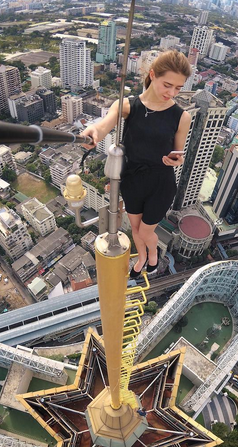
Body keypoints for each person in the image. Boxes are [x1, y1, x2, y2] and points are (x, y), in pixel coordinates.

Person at [81, 50, 192, 278]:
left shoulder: (182, 117)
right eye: (167, 85)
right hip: (132, 179)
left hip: (160, 182)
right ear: (152, 75)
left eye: (178, 88)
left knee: (145, 230)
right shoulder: (128, 106)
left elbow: (177, 153)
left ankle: (153, 255)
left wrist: (177, 160)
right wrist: (94, 133)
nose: (172, 93)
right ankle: (142, 258)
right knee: (134, 229)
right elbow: (104, 126)